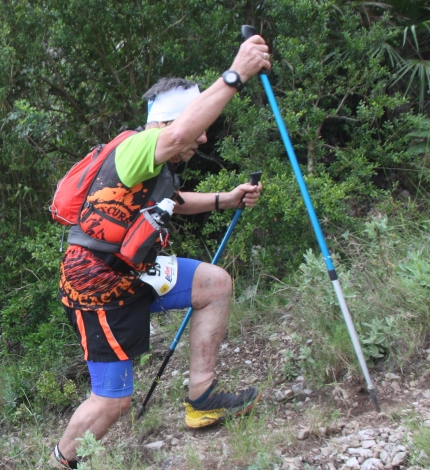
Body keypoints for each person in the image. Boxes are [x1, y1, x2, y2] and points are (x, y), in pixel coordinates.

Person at [51, 35, 271, 468]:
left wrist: (225, 198)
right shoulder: (138, 147)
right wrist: (237, 74)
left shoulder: (158, 165)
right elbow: (182, 134)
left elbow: (171, 202)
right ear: (171, 123)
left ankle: (202, 399)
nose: (203, 138)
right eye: (197, 127)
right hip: (97, 284)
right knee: (114, 401)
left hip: (137, 270)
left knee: (214, 284)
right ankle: (61, 460)